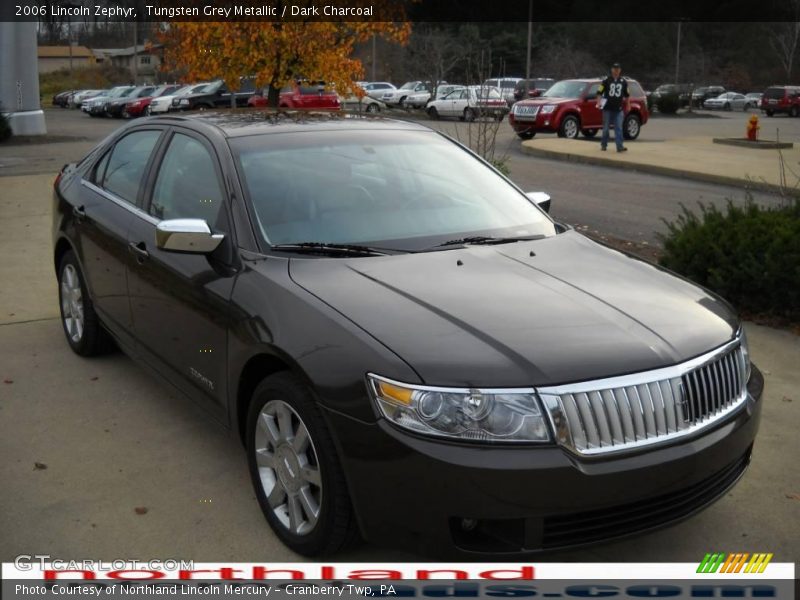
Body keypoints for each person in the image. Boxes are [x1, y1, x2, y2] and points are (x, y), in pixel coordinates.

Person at [596, 62, 630, 152]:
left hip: (618, 109)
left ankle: (619, 146)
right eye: (614, 69)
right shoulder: (606, 80)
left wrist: (628, 104)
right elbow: (599, 92)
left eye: (617, 69)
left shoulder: (623, 82)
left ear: (620, 70)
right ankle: (604, 144)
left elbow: (627, 95)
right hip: (607, 108)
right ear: (612, 70)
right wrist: (598, 102)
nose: (616, 71)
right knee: (606, 128)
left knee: (618, 127)